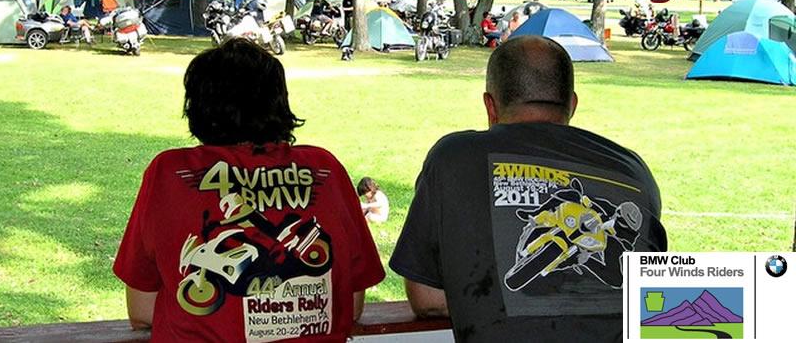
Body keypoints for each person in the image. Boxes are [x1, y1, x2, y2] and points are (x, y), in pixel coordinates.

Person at [389, 36, 667, 342]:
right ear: (572, 104)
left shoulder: (453, 157)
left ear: (490, 106)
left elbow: (427, 299)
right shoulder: (631, 168)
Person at [113, 38, 385, 342]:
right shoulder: (325, 169)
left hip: (283, 246)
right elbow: (351, 305)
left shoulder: (170, 172)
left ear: (197, 107)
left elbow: (142, 311)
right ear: (279, 102)